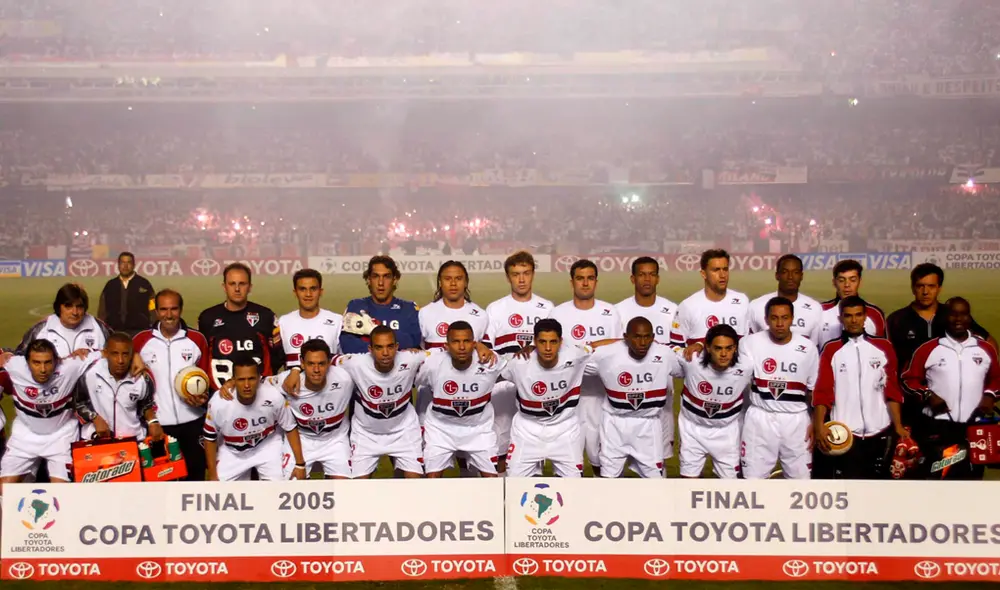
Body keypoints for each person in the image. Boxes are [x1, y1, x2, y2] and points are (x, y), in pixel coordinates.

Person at [901, 297, 1000, 480]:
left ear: (970, 317)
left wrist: (989, 395)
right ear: (944, 317)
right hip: (938, 427)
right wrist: (928, 395)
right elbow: (908, 379)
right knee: (937, 478)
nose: (958, 319)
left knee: (972, 480)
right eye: (953, 314)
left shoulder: (985, 349)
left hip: (974, 428)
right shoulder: (929, 348)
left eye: (963, 314)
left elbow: (996, 378)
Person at [812, 296, 908, 479]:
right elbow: (822, 392)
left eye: (858, 315)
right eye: (848, 316)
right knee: (849, 486)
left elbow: (892, 390)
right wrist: (819, 426)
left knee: (879, 487)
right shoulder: (831, 350)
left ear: (865, 317)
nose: (854, 320)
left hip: (881, 430)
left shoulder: (883, 347)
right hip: (846, 434)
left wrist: (898, 425)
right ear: (841, 319)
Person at [548, 259, 623, 477]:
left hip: (601, 397)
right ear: (572, 282)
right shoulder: (558, 314)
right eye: (580, 278)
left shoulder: (609, 312)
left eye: (590, 278)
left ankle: (601, 495)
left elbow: (618, 349)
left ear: (596, 282)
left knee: (602, 458)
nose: (585, 283)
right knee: (567, 462)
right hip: (568, 400)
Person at [0, 339, 101, 490]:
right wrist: (5, 354)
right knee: (4, 490)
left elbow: (109, 352)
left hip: (61, 437)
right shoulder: (15, 365)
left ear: (57, 360)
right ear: (26, 362)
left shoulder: (70, 366)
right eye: (36, 363)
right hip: (25, 436)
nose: (43, 369)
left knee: (61, 493)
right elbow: (4, 356)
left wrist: (135, 359)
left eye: (48, 362)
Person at [485, 250, 553, 474]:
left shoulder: (547, 308)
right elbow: (487, 349)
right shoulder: (496, 309)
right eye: (516, 274)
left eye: (526, 273)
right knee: (501, 445)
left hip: (535, 386)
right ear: (508, 277)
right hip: (503, 386)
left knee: (532, 446)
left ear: (533, 274)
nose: (521, 279)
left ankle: (530, 488)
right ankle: (500, 491)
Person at [501, 319, 596, 478]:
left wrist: (625, 339)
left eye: (553, 342)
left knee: (574, 485)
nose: (547, 348)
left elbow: (600, 346)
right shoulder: (518, 363)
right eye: (542, 342)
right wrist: (479, 346)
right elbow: (492, 368)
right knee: (515, 484)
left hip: (565, 430)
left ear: (561, 342)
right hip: (527, 431)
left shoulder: (576, 355)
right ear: (534, 341)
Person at [738, 296, 820, 480]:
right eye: (774, 318)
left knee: (800, 481)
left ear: (792, 319)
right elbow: (738, 377)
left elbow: (813, 390)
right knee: (752, 479)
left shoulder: (807, 348)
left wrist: (814, 422)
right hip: (760, 418)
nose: (780, 324)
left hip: (796, 420)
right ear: (766, 320)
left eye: (785, 318)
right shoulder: (749, 343)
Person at [333, 326, 430, 479]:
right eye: (379, 347)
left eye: (390, 347)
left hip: (404, 431)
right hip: (366, 434)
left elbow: (442, 354)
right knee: (357, 486)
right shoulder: (355, 363)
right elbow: (327, 360)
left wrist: (420, 352)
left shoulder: (410, 358)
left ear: (397, 347)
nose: (385, 353)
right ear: (370, 349)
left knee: (415, 483)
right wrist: (296, 371)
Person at [134, 289, 211, 481]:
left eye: (174, 309)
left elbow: (207, 378)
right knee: (161, 482)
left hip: (193, 422)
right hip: (159, 425)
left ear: (181, 309)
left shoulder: (197, 339)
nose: (169, 315)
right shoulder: (141, 341)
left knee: (195, 478)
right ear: (156, 311)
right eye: (163, 309)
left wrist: (203, 398)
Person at [590, 316, 679, 478]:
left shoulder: (665, 354)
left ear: (653, 337)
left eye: (647, 337)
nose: (642, 342)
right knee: (609, 479)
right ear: (626, 337)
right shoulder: (606, 354)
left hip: (648, 425)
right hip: (614, 425)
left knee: (655, 480)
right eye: (637, 337)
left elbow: (689, 368)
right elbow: (575, 357)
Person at [416, 321, 505, 478]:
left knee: (492, 480)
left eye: (467, 341)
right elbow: (406, 371)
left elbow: (519, 368)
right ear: (446, 345)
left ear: (474, 343)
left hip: (479, 430)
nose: (462, 347)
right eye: (456, 342)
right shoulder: (432, 363)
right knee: (431, 480)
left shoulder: (490, 361)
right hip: (440, 430)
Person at [615, 256, 679, 463]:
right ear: (632, 279)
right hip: (625, 396)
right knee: (617, 460)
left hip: (660, 398)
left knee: (658, 460)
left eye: (652, 274)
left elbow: (679, 350)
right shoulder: (618, 311)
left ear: (658, 278)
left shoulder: (672, 311)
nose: (647, 279)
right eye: (642, 274)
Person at [204, 359, 306, 482]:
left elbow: (290, 427)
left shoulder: (273, 396)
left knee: (279, 486)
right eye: (241, 379)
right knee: (220, 489)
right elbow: (209, 438)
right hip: (232, 451)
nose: (247, 385)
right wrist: (213, 475)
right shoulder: (219, 403)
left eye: (251, 379)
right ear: (233, 380)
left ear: (259, 378)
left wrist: (300, 463)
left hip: (267, 446)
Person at [887, 263, 996, 371]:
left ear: (939, 288)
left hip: (948, 380)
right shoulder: (896, 319)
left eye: (931, 286)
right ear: (913, 288)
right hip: (910, 381)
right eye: (920, 286)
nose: (925, 292)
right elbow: (885, 355)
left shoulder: (953, 315)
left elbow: (988, 341)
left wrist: (987, 372)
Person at [676, 324, 750, 479]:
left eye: (729, 348)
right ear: (708, 348)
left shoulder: (747, 366)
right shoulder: (692, 360)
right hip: (692, 431)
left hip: (727, 433)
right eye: (718, 348)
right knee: (688, 483)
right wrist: (698, 344)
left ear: (735, 348)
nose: (724, 354)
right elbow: (664, 350)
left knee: (730, 487)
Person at [198, 262, 281, 391]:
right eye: (232, 284)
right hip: (220, 396)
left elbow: (278, 356)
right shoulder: (207, 318)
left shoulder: (266, 316)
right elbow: (201, 360)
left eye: (242, 284)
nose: (237, 289)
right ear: (224, 287)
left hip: (259, 394)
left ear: (250, 287)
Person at [278, 339, 353, 479]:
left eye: (321, 364)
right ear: (302, 363)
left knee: (345, 489)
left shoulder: (345, 379)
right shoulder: (287, 382)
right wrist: (295, 370)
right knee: (290, 487)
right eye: (311, 364)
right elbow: (260, 383)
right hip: (302, 441)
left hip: (335, 441)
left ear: (329, 363)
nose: (316, 370)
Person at [76, 332, 162, 441]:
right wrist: (94, 417)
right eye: (115, 354)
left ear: (132, 355)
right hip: (98, 439)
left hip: (133, 439)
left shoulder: (142, 379)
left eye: (125, 354)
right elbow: (78, 403)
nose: (120, 360)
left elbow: (146, 404)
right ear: (106, 353)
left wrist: (153, 422)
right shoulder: (90, 374)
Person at [670, 249, 750, 354]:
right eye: (716, 270)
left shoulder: (742, 301)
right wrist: (692, 353)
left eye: (725, 269)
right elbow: (674, 347)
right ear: (703, 274)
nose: (722, 275)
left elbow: (750, 342)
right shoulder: (688, 306)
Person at [340, 255, 422, 353]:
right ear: (369, 280)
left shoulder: (409, 308)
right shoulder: (356, 306)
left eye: (386, 276)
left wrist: (374, 329)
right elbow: (348, 345)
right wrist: (393, 349)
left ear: (395, 280)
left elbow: (413, 341)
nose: (381, 283)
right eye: (375, 276)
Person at [12, 283, 111, 358]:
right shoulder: (41, 329)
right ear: (59, 307)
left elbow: (117, 354)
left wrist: (93, 354)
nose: (75, 312)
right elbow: (19, 357)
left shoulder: (99, 327)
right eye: (68, 306)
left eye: (79, 307)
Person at [276, 268, 343, 369]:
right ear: (295, 293)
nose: (308, 294)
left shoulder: (337, 321)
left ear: (321, 292)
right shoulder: (283, 322)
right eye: (302, 289)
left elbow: (344, 361)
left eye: (313, 289)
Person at [749, 254, 823, 346]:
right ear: (777, 275)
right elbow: (750, 344)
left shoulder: (815, 308)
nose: (790, 277)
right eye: (785, 272)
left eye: (795, 272)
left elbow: (814, 347)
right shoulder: (756, 306)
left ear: (801, 276)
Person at [419, 261, 490, 349]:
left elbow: (486, 351)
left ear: (466, 282)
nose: (453, 283)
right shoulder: (425, 313)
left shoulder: (481, 315)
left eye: (458, 278)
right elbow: (418, 350)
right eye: (447, 279)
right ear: (440, 282)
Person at [818, 260, 886, 344]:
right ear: (834, 282)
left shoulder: (875, 313)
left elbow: (882, 346)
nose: (847, 285)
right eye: (841, 280)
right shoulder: (820, 310)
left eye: (853, 280)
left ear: (860, 281)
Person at [96, 252, 155, 337]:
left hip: (139, 331)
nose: (125, 266)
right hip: (114, 332)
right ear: (118, 265)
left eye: (129, 263)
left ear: (134, 265)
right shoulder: (110, 285)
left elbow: (153, 307)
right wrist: (102, 327)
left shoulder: (144, 284)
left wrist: (154, 324)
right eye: (122, 263)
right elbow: (102, 310)